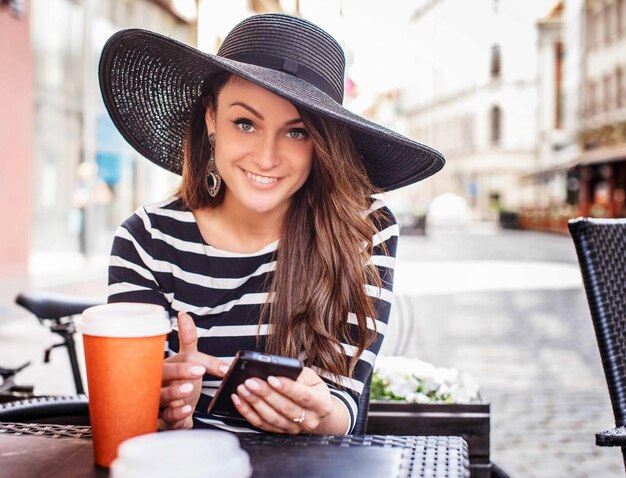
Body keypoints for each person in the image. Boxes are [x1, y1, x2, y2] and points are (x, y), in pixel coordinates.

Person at [99, 13, 444, 435]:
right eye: (245, 123)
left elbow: (343, 406)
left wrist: (314, 413)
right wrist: (159, 399)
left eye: (296, 133)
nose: (266, 158)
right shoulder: (146, 239)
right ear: (211, 118)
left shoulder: (364, 228)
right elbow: (129, 413)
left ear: (323, 144)